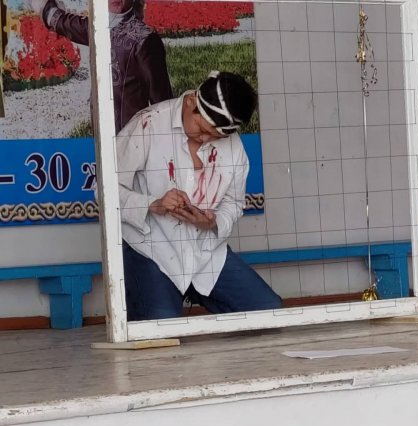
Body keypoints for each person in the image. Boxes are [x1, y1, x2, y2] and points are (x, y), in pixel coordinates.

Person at [117, 71, 282, 320]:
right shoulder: (149, 124)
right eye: (202, 129)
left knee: (269, 311)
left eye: (215, 136)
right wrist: (153, 204)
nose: (204, 139)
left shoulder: (234, 147)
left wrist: (213, 222)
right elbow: (104, 189)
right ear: (191, 100)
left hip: (205, 253)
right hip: (150, 249)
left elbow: (233, 203)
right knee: (162, 329)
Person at [30, 0, 173, 132]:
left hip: (132, 140)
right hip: (100, 134)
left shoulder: (146, 41)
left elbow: (163, 105)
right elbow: (60, 20)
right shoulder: (96, 27)